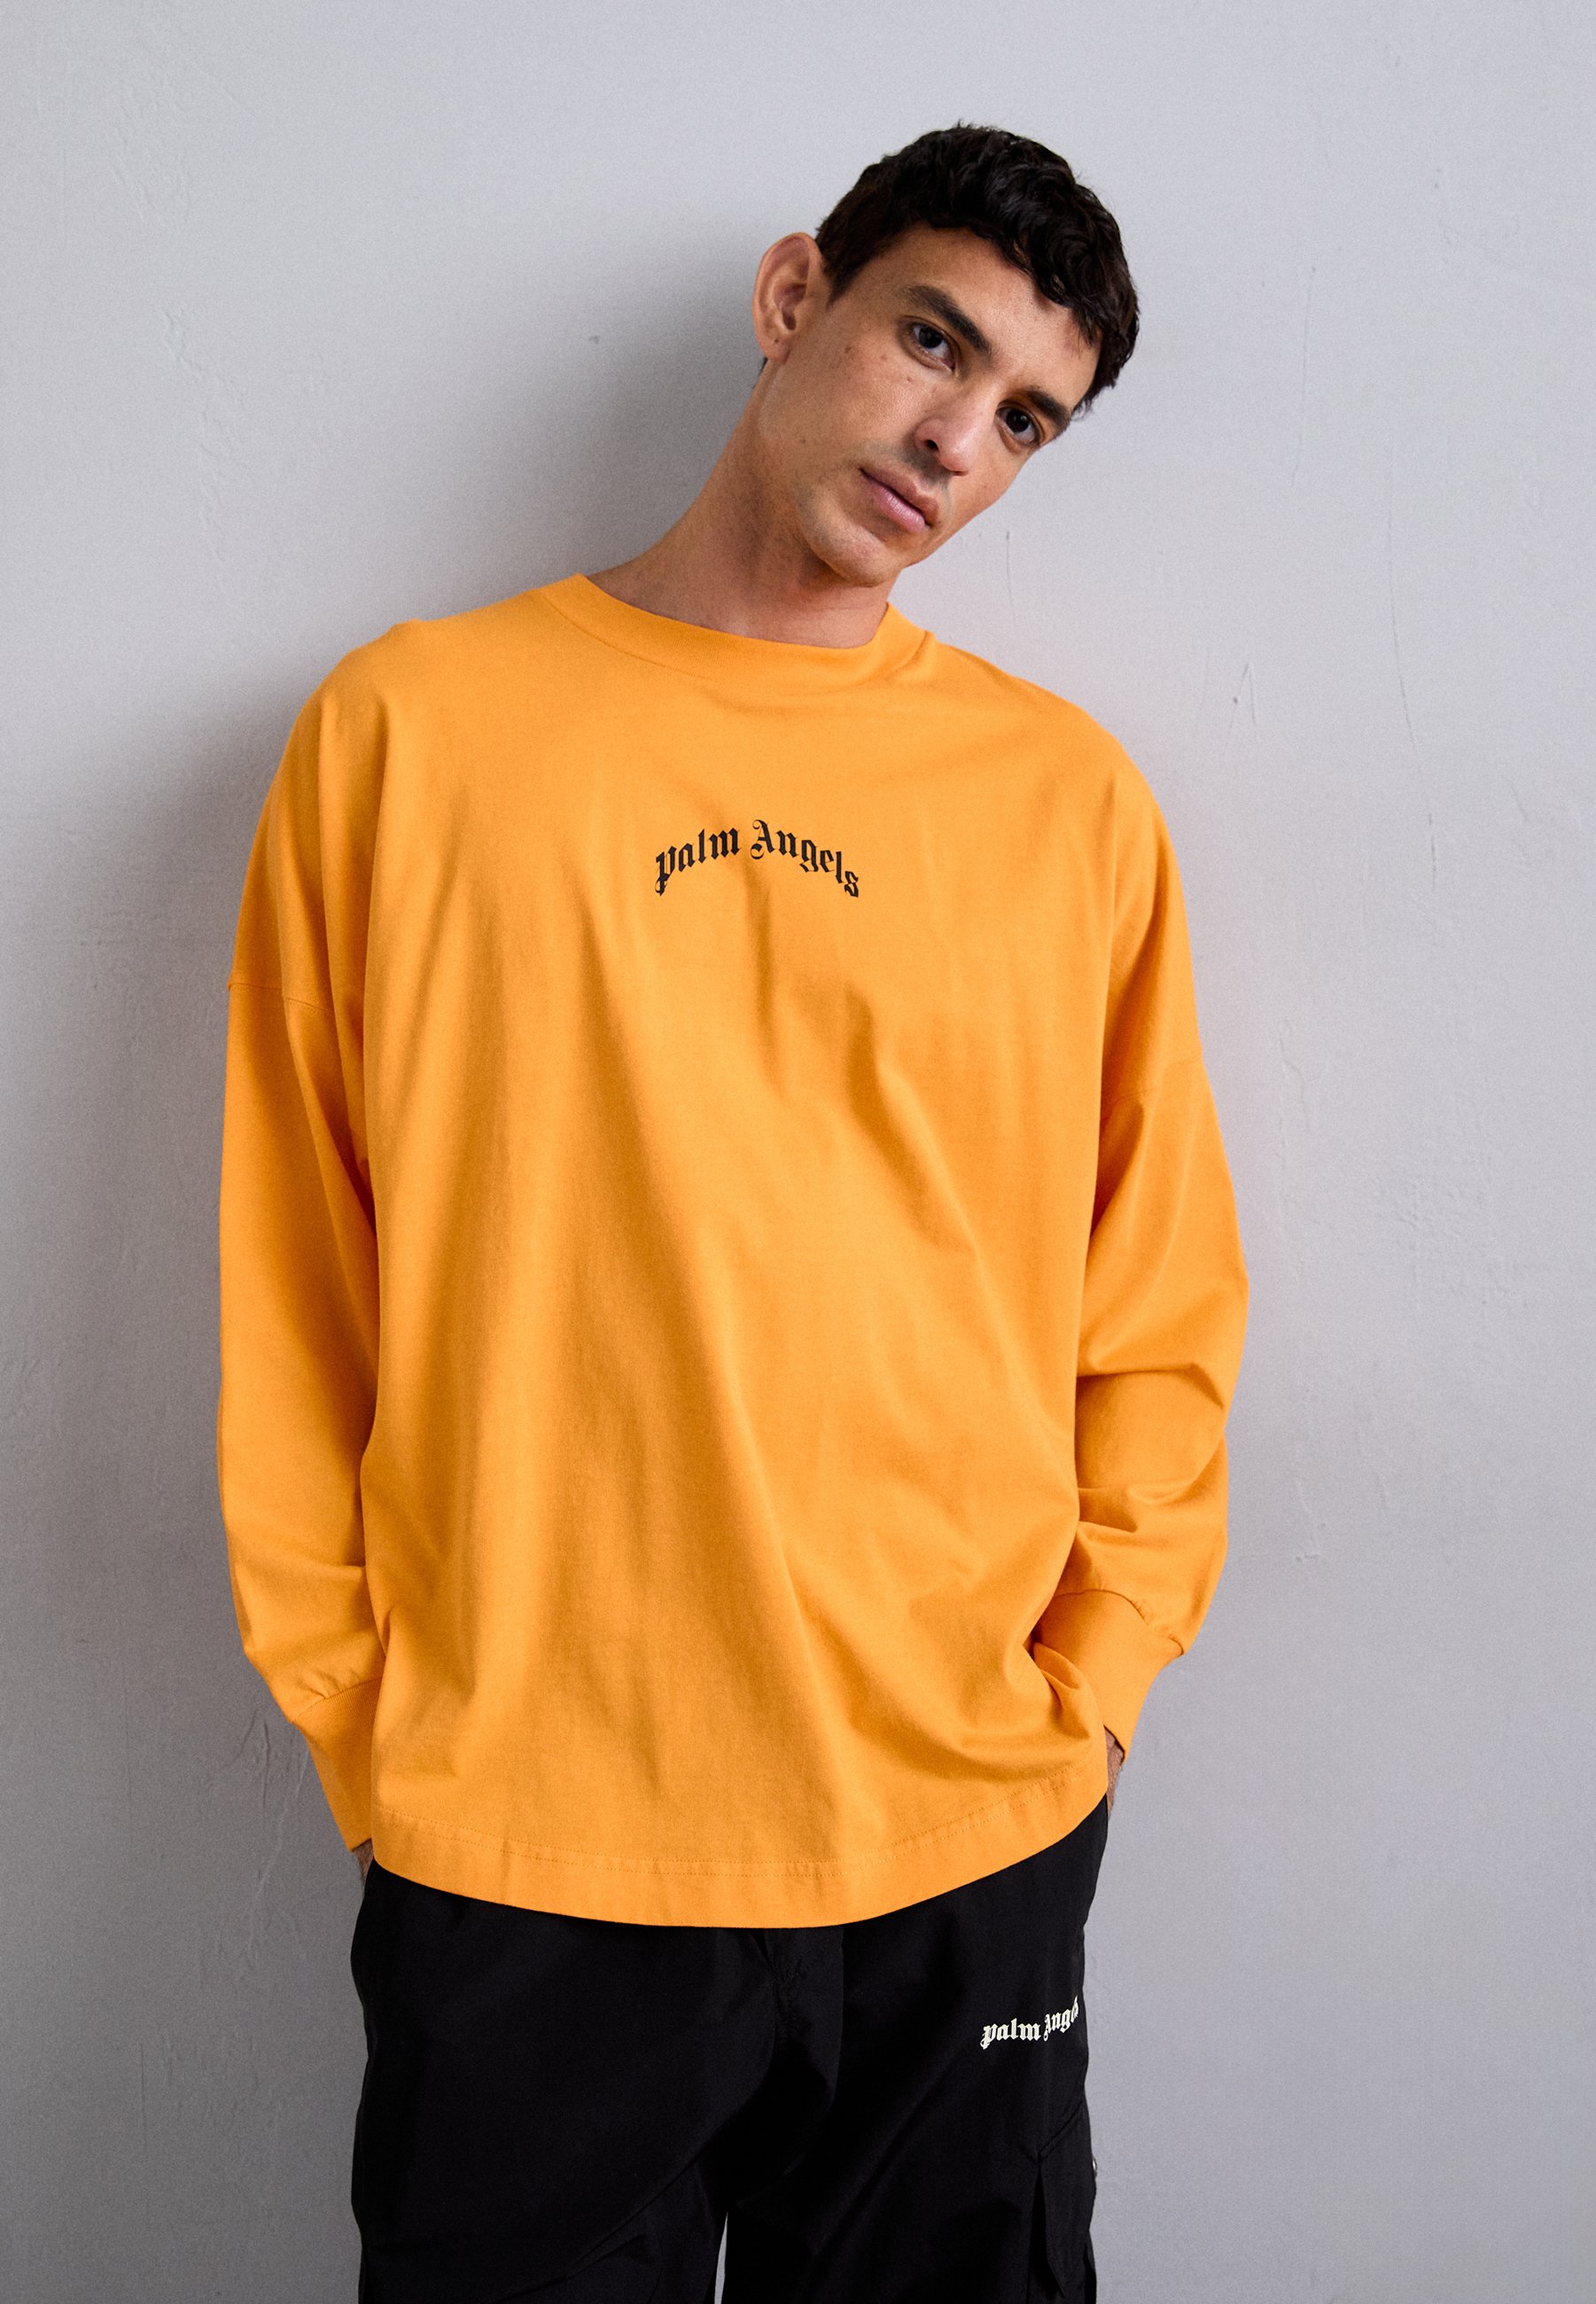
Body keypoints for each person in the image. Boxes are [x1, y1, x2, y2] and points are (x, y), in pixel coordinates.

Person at [215, 121, 1249, 2303]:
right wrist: (367, 1719)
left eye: (1023, 419)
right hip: (527, 1838)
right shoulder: (411, 733)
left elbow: (1153, 1293)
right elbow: (298, 1265)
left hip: (960, 1827)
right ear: (797, 298)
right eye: (932, 341)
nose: (954, 439)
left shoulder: (1063, 804)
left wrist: (1087, 1692)